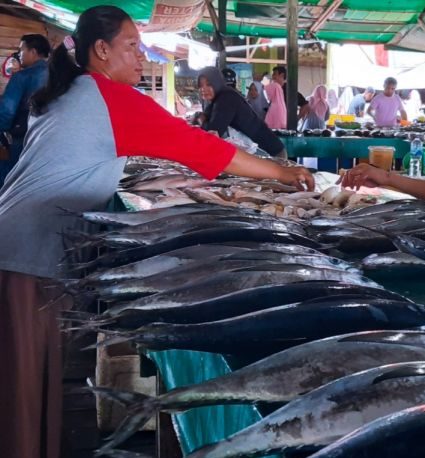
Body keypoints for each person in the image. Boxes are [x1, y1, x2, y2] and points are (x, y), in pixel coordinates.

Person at [0, 10, 314, 458]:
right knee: (21, 395)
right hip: (25, 255)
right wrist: (282, 173)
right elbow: (204, 149)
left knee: (33, 386)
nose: (142, 56)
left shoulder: (75, 92)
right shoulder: (109, 98)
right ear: (101, 51)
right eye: (131, 46)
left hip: (23, 247)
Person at [197, 67, 286, 157]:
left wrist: (202, 121)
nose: (203, 89)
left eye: (209, 84)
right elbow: (203, 118)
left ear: (217, 83)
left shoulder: (226, 98)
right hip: (257, 154)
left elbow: (213, 132)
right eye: (200, 85)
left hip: (271, 154)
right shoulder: (217, 100)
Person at [0, 34, 50, 185]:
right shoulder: (59, 76)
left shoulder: (22, 77)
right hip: (48, 139)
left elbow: (7, 111)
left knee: (8, 180)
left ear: (33, 52)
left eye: (22, 50)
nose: (19, 55)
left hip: (21, 139)